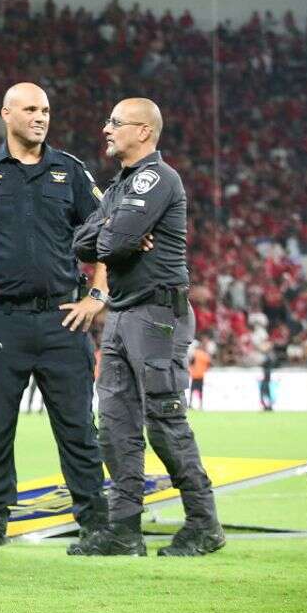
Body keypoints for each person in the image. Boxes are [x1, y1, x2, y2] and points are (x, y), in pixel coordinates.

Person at [0, 83, 108, 551]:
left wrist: (97, 294)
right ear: (6, 114)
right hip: (0, 319)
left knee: (77, 426)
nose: (41, 117)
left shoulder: (69, 172)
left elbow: (106, 238)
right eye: (31, 109)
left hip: (63, 318)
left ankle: (95, 521)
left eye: (47, 110)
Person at [72, 97, 225, 558]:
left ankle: (204, 524)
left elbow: (110, 241)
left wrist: (116, 236)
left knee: (163, 419)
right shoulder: (121, 186)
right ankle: (123, 530)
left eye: (116, 123)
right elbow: (82, 241)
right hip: (120, 314)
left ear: (144, 132)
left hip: (158, 315)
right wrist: (116, 235)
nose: (106, 129)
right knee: (115, 424)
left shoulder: (158, 177)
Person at [189, 340, 212, 410]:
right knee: (200, 391)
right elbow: (209, 364)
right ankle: (201, 405)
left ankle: (190, 404)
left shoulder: (195, 354)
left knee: (192, 391)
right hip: (201, 375)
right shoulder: (205, 355)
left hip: (194, 375)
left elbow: (191, 362)